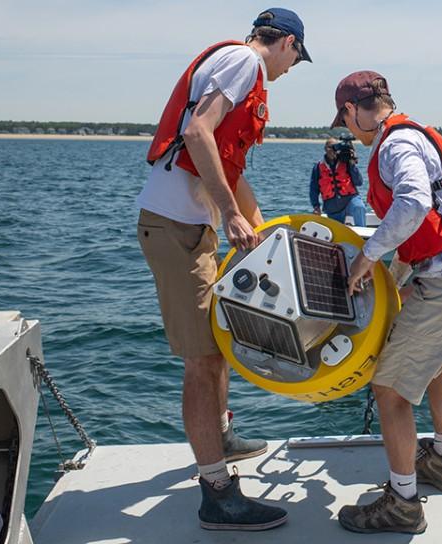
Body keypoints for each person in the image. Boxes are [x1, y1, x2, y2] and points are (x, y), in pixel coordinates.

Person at [135, 7, 310, 532]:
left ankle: (222, 434)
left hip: (194, 229)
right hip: (176, 229)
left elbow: (230, 170)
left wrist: (268, 233)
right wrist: (231, 216)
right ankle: (215, 492)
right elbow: (197, 132)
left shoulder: (240, 67)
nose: (291, 69)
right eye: (296, 58)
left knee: (221, 341)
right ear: (285, 44)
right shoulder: (244, 61)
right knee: (204, 360)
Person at [331, 71, 442, 534]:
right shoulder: (416, 133)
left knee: (388, 391)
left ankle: (403, 503)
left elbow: (412, 202)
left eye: (345, 121)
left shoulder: (393, 145)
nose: (348, 132)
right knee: (431, 367)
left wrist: (367, 258)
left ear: (352, 111)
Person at [309, 137, 367, 226]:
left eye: (334, 147)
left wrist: (352, 163)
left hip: (350, 200)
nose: (332, 150)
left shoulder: (346, 162)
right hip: (332, 207)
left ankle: (363, 233)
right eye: (329, 147)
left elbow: (359, 182)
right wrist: (316, 206)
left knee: (359, 207)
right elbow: (313, 189)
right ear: (325, 149)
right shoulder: (318, 167)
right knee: (337, 230)